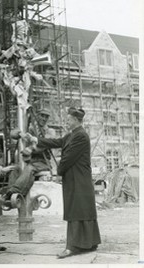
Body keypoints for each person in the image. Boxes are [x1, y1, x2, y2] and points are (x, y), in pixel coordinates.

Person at [25, 107, 101, 258]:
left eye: (68, 119)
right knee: (82, 210)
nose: (66, 122)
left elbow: (69, 158)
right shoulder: (73, 134)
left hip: (78, 178)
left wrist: (58, 172)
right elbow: (57, 142)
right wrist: (36, 139)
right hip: (76, 177)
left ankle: (72, 247)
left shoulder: (81, 136)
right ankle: (89, 243)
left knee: (75, 210)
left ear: (75, 120)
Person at [1, 108, 56, 200]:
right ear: (37, 116)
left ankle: (13, 192)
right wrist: (20, 133)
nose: (44, 118)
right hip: (29, 162)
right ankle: (11, 197)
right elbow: (12, 134)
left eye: (46, 116)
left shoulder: (50, 131)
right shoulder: (30, 129)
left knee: (30, 169)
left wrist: (31, 149)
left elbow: (45, 144)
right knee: (14, 169)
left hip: (42, 162)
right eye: (42, 115)